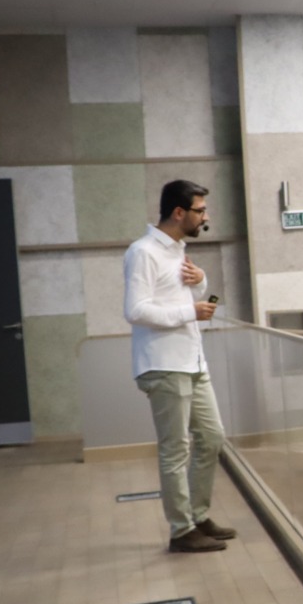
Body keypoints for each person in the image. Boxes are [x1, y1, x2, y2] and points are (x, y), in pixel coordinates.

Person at [124, 180, 234, 553]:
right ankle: (181, 530)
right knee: (175, 449)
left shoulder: (177, 251)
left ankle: (198, 516)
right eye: (200, 210)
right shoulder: (143, 252)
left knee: (212, 437)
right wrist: (190, 311)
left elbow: (187, 294)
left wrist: (202, 281)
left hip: (192, 360)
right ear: (178, 212)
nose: (205, 217)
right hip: (164, 364)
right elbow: (135, 310)